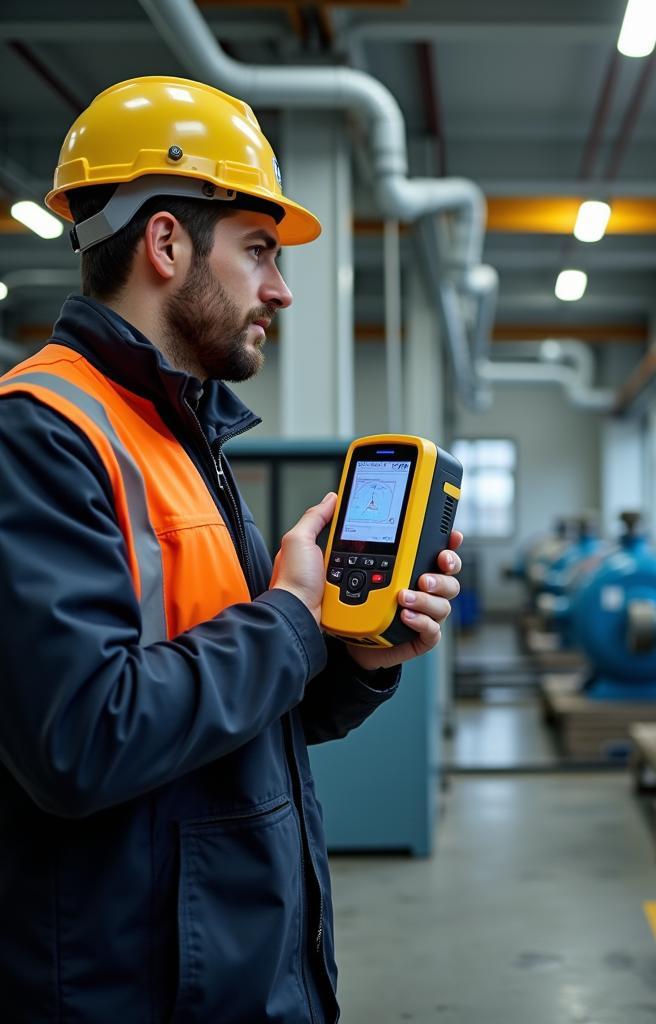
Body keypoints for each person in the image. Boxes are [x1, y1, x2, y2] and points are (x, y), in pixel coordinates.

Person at [0, 76, 462, 1023]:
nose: (282, 289)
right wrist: (291, 619)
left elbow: (244, 723)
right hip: (120, 987)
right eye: (258, 251)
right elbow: (83, 739)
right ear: (166, 243)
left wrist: (354, 660)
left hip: (234, 975)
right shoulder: (40, 435)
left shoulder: (181, 437)